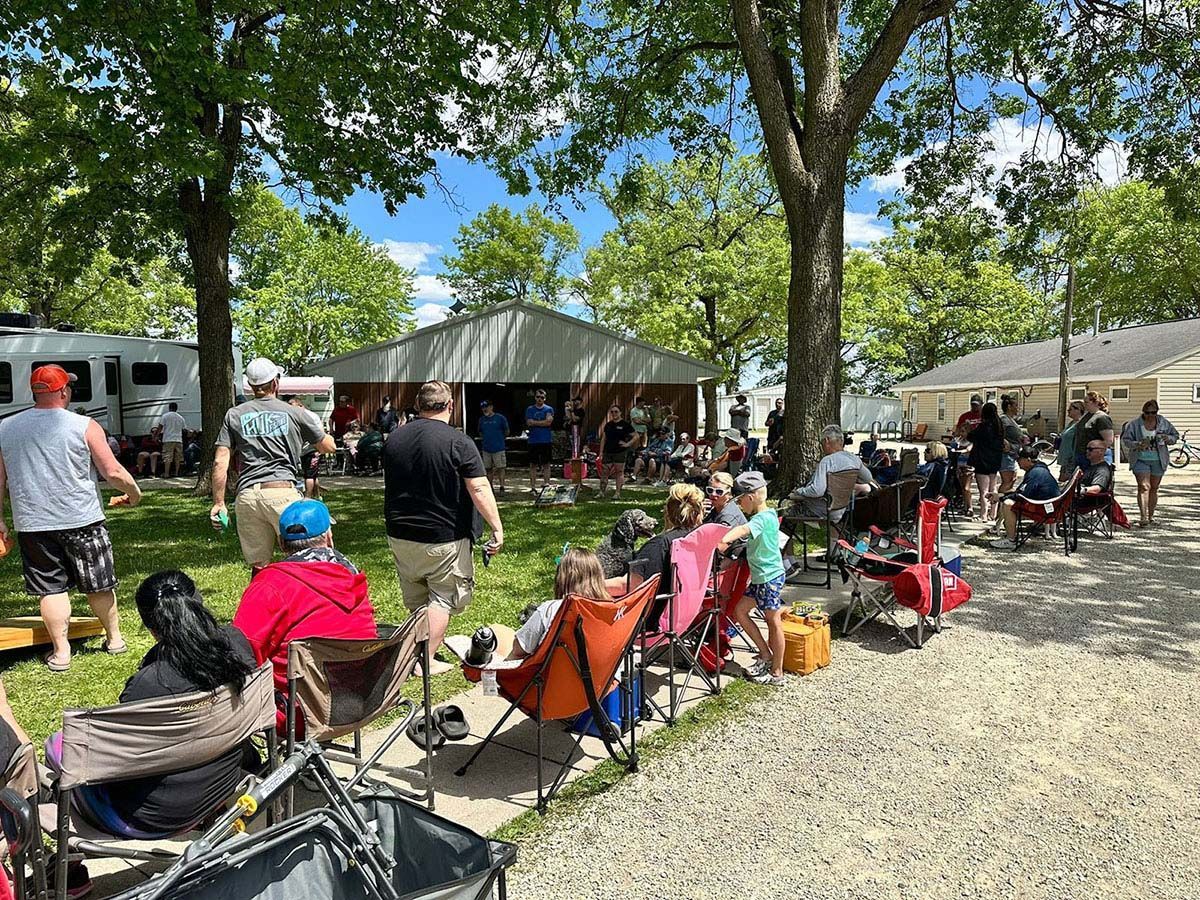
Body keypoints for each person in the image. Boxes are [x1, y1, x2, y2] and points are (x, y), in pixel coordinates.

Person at [45, 570, 260, 836]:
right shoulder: (238, 646)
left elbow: (115, 764)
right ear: (199, 603)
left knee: (56, 748)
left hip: (148, 817)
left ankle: (71, 871)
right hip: (220, 785)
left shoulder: (147, 685)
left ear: (151, 628)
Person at [0, 364, 138, 672]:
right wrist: (135, 493)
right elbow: (113, 471)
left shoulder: (5, 427)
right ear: (63, 391)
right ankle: (114, 639)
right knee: (99, 583)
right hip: (83, 519)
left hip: (33, 524)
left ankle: (61, 654)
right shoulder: (84, 425)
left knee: (51, 589)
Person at [383, 381, 503, 662]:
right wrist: (497, 529)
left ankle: (418, 650)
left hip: (400, 533)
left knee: (417, 601)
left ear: (417, 406)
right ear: (450, 405)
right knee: (442, 600)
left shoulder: (395, 440)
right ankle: (424, 659)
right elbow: (479, 488)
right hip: (443, 536)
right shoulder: (459, 442)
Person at [233, 500, 376, 727]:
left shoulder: (271, 585)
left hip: (297, 716)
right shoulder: (351, 576)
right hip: (361, 701)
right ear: (328, 537)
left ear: (281, 543)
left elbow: (240, 652)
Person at [210, 358, 334, 570]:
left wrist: (219, 503)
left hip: (247, 497)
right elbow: (327, 447)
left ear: (250, 385)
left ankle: (260, 602)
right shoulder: (295, 412)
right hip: (282, 493)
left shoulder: (235, 415)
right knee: (307, 557)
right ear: (276, 383)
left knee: (259, 567)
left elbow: (220, 461)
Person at [718, 471, 786, 686]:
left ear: (751, 496)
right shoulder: (770, 514)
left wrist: (720, 540)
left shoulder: (761, 519)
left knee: (773, 622)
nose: (739, 506)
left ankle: (777, 673)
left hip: (769, 578)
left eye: (739, 501)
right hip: (761, 578)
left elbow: (743, 529)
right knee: (740, 611)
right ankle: (765, 654)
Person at [507, 548, 609, 660]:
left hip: (555, 676)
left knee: (501, 634)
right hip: (602, 677)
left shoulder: (551, 609)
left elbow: (519, 649)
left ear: (562, 578)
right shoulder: (610, 612)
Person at [605, 483, 704, 593]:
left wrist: (587, 585)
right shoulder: (699, 538)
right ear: (699, 513)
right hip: (686, 601)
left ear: (667, 511)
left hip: (655, 607)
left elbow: (627, 585)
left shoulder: (658, 545)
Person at [786, 425, 874, 521]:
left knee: (785, 514)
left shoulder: (827, 461)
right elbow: (868, 478)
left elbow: (817, 491)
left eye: (822, 442)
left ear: (827, 440)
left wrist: (799, 491)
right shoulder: (854, 459)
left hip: (821, 510)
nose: (821, 446)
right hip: (843, 509)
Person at [1120, 400, 1178, 527]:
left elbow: (1175, 436)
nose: (1151, 415)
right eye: (1148, 412)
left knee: (1154, 488)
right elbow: (1126, 440)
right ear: (1143, 412)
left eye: (1154, 412)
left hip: (1158, 459)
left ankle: (1151, 516)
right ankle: (1143, 516)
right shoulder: (1134, 424)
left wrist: (1168, 438)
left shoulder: (1163, 423)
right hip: (1140, 459)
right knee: (1144, 486)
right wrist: (1138, 444)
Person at [990, 447, 1061, 549]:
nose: (1017, 461)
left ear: (1028, 460)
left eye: (1019, 459)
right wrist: (1000, 495)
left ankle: (1011, 540)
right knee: (1008, 498)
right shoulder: (1039, 470)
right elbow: (1021, 492)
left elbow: (1022, 495)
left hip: (1043, 509)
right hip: (1048, 506)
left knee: (1008, 503)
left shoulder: (1035, 473)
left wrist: (1001, 497)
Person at [968, 402, 1005, 524]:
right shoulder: (999, 426)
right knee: (993, 487)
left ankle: (983, 514)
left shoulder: (984, 426)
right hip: (995, 460)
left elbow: (971, 437)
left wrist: (969, 427)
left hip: (982, 460)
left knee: (983, 490)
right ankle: (993, 513)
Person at [284, 394, 325, 498]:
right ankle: (318, 496)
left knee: (309, 475)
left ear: (300, 405)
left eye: (292, 406)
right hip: (301, 450)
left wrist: (319, 448)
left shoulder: (310, 416)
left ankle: (307, 498)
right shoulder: (292, 416)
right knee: (312, 474)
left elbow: (320, 432)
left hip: (312, 449)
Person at [598, 404, 637, 499]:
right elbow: (604, 439)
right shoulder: (608, 425)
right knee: (604, 472)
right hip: (608, 451)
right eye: (612, 412)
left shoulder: (625, 425)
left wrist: (627, 444)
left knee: (619, 472)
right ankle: (601, 492)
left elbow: (636, 436)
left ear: (620, 413)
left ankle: (617, 493)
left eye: (616, 412)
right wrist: (601, 452)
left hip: (620, 452)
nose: (614, 414)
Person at [954, 394, 984, 514]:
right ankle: (966, 505)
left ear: (981, 405)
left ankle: (982, 507)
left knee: (982, 483)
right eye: (972, 405)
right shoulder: (965, 416)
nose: (974, 407)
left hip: (980, 454)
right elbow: (956, 433)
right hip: (963, 460)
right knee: (964, 486)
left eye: (976, 405)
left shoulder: (984, 417)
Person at [1073, 391, 1115, 467]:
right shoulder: (1087, 416)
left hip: (1095, 457)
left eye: (1086, 402)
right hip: (1082, 455)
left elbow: (1108, 440)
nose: (1084, 405)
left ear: (1095, 403)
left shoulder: (1102, 418)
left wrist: (1095, 454)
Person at [477, 400, 510, 494]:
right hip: (486, 448)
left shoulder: (500, 418)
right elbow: (480, 431)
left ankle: (502, 487)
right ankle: (490, 487)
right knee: (488, 469)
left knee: (501, 467)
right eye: (483, 407)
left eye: (486, 407)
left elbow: (506, 431)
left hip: (499, 447)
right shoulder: (481, 420)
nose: (484, 409)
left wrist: (500, 439)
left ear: (491, 407)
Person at [525, 388, 555, 492]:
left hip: (545, 440)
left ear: (545, 399)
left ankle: (547, 484)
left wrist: (535, 423)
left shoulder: (549, 409)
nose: (540, 399)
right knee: (533, 464)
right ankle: (533, 487)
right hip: (533, 440)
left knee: (546, 464)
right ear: (535, 398)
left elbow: (549, 423)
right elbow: (529, 422)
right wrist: (543, 422)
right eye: (538, 397)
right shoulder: (530, 409)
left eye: (542, 397)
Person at [999, 396, 1025, 494]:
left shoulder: (1011, 419)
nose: (1017, 408)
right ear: (1009, 406)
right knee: (1007, 482)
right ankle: (999, 504)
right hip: (1006, 456)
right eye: (1016, 406)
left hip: (1013, 454)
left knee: (1012, 479)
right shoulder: (1003, 419)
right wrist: (1004, 442)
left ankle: (1004, 503)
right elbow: (996, 433)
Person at [1057, 400, 1084, 481]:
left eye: (1070, 410)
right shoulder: (1071, 423)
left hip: (1072, 458)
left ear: (1078, 410)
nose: (1068, 411)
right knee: (1061, 481)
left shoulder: (1080, 424)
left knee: (1068, 481)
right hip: (1065, 458)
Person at [160, 403, 187, 478]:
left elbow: (160, 427)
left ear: (169, 408)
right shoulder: (181, 417)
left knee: (167, 456)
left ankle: (166, 474)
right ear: (176, 408)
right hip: (178, 439)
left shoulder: (165, 416)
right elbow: (184, 429)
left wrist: (156, 435)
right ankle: (176, 473)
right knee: (177, 457)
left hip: (168, 439)